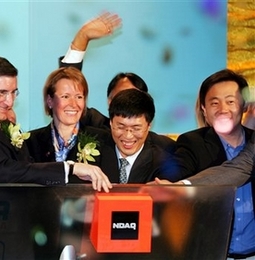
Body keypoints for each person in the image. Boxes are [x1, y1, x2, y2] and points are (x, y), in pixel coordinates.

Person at [0, 53, 112, 192]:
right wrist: (70, 168)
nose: (9, 102)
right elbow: (6, 172)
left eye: (13, 92)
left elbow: (24, 168)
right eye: (2, 93)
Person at [160, 69, 255, 259]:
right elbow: (173, 179)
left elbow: (241, 167)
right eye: (214, 103)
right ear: (203, 108)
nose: (222, 109)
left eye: (230, 101)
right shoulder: (192, 143)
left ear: (244, 106)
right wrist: (171, 187)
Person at [59, 12, 175, 154]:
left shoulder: (164, 147)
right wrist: (82, 38)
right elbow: (67, 92)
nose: (127, 104)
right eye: (120, 97)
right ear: (109, 101)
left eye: (134, 98)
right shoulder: (94, 127)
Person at [26, 67, 118, 183]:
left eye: (79, 97)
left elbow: (110, 188)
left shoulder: (104, 140)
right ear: (50, 101)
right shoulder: (31, 142)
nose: (73, 104)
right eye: (65, 96)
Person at [108, 88, 175, 183]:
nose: (128, 136)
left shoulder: (163, 163)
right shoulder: (97, 150)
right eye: (121, 127)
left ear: (149, 126)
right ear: (110, 123)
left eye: (136, 128)